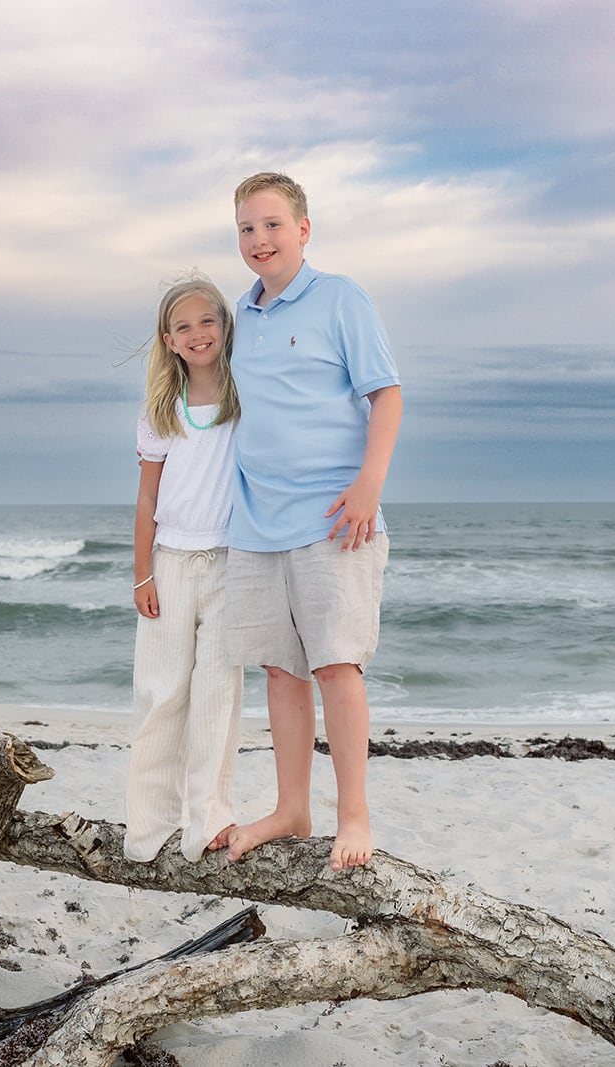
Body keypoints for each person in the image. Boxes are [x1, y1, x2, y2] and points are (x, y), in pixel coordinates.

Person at [221, 172, 403, 871]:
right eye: (245, 228)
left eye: (271, 224)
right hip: (257, 520)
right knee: (279, 670)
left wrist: (368, 484)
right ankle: (291, 806)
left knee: (336, 663)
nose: (258, 239)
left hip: (334, 515)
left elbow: (385, 395)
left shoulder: (340, 297)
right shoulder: (244, 315)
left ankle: (352, 813)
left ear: (302, 229)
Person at [124, 273, 245, 863]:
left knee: (218, 693)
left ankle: (208, 819)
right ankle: (147, 827)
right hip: (169, 561)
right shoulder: (160, 410)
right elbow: (147, 499)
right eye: (184, 326)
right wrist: (142, 572)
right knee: (162, 691)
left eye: (208, 321)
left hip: (232, 561)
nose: (198, 333)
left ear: (225, 327)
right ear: (168, 340)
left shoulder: (248, 397)